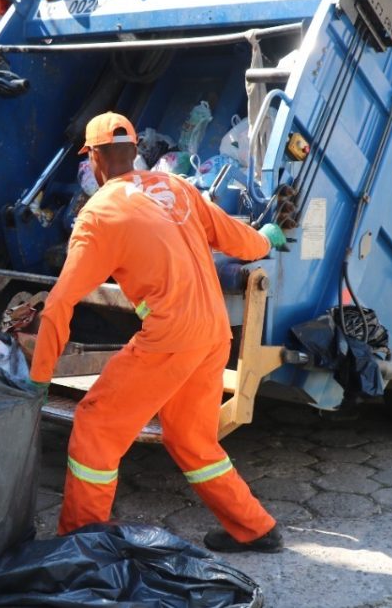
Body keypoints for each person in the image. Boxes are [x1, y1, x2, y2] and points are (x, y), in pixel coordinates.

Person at [29, 112, 288, 553]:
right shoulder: (178, 187)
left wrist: (38, 381)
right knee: (190, 438)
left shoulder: (98, 216)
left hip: (171, 336)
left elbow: (59, 303)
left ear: (93, 159)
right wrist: (266, 238)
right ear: (136, 153)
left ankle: (81, 542)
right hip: (213, 333)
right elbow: (239, 242)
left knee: (96, 426)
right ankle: (256, 528)